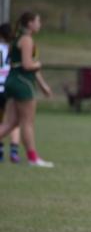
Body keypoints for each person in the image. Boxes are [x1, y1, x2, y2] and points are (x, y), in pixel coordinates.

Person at [0, 12, 53, 167]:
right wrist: (39, 64)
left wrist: (43, 86)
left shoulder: (17, 38)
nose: (39, 24)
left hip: (11, 81)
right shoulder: (27, 40)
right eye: (38, 21)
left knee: (11, 123)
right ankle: (33, 158)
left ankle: (32, 157)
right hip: (22, 83)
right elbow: (28, 65)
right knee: (27, 123)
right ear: (30, 23)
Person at [0, 22, 21, 163]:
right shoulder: (14, 48)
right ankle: (14, 151)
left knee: (2, 121)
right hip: (11, 87)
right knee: (13, 121)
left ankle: (0, 151)